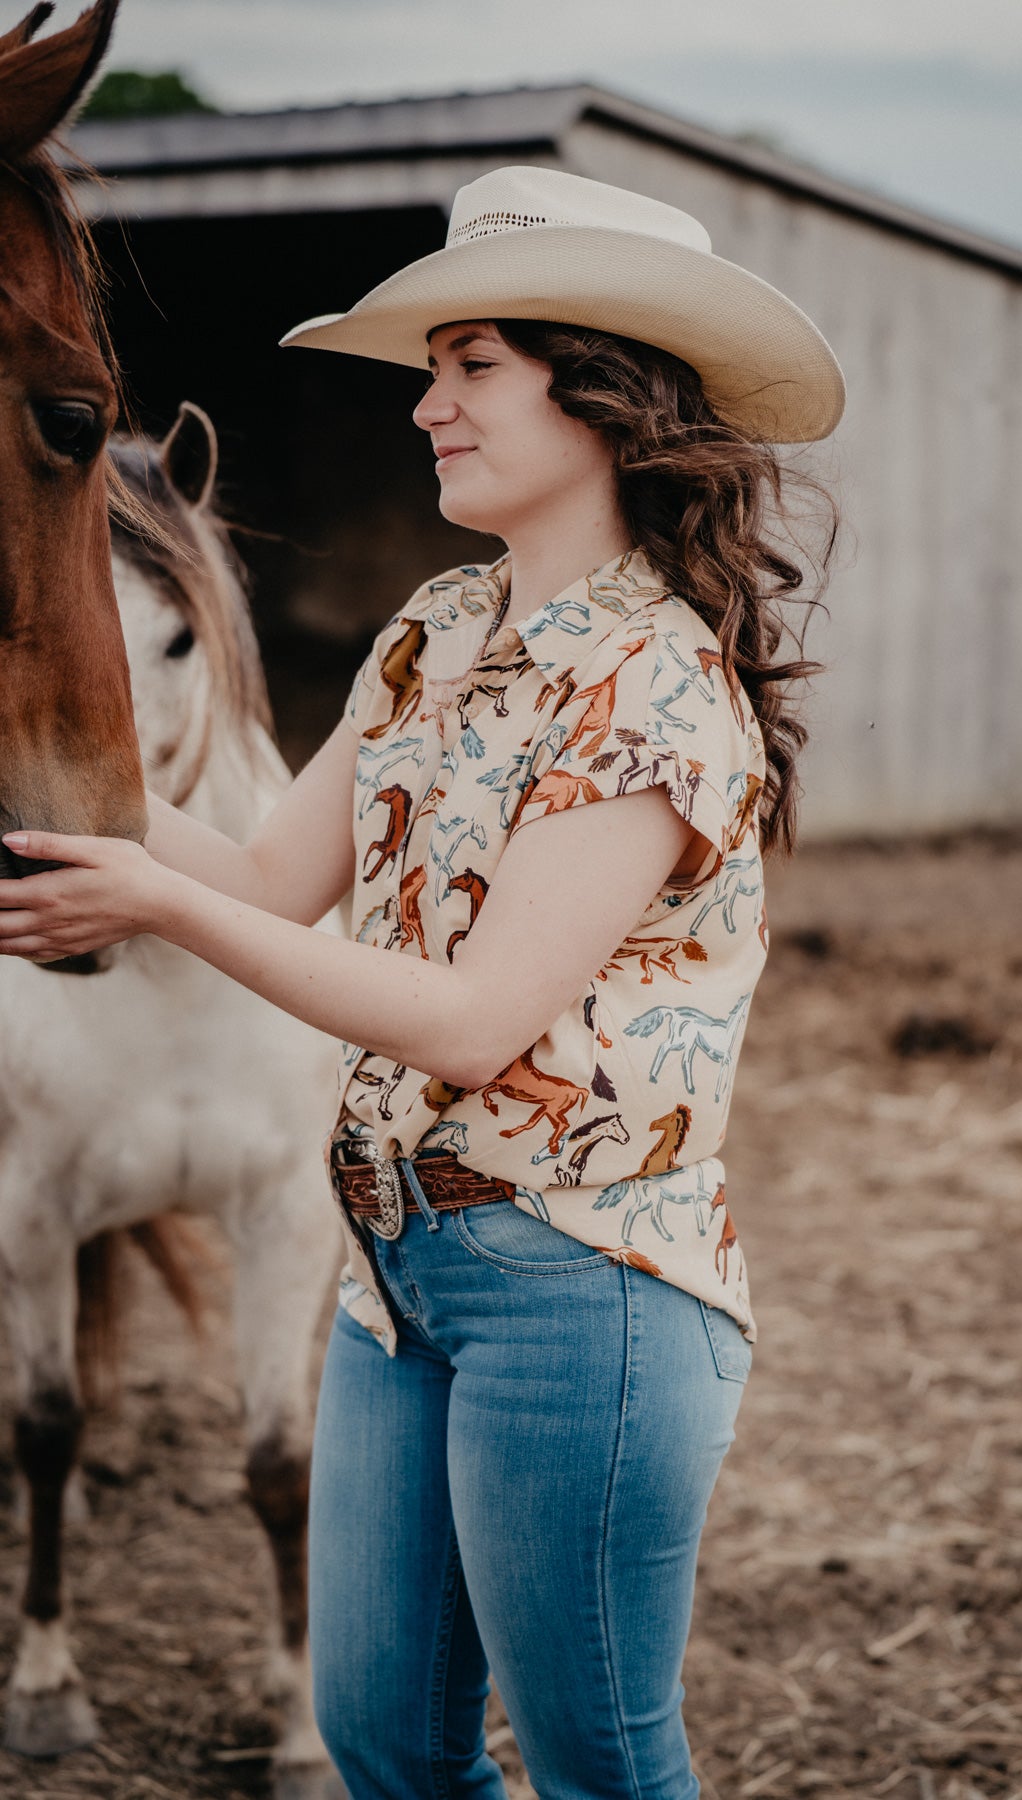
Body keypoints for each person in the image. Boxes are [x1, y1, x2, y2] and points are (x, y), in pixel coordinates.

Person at [0, 165, 843, 1798]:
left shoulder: (654, 681)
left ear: (601, 392)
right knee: (387, 1734)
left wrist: (142, 903)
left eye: (472, 368)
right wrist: (70, 782)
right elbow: (259, 872)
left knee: (599, 1759)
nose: (426, 407)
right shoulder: (437, 629)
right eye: (428, 370)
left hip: (580, 1287)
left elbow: (469, 1021)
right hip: (395, 1280)